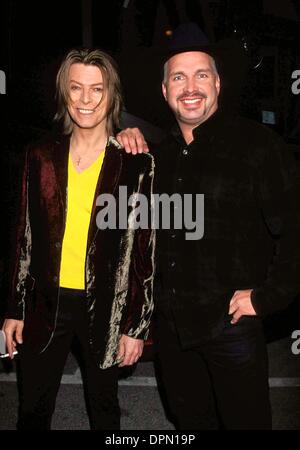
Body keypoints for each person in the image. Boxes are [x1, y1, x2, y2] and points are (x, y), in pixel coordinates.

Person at [117, 23, 300, 429]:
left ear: (217, 83)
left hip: (232, 330)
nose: (190, 87)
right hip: (173, 333)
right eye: (178, 77)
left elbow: (294, 231)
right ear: (165, 91)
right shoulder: (157, 156)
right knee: (189, 424)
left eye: (201, 74)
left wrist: (267, 298)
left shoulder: (258, 146)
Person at [2, 48, 155, 430]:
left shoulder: (135, 162)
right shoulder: (39, 155)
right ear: (64, 94)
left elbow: (143, 251)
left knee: (105, 410)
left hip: (105, 306)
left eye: (97, 89)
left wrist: (135, 327)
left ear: (112, 95)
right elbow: (24, 237)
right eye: (76, 88)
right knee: (32, 410)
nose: (86, 100)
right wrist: (13, 309)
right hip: (44, 303)